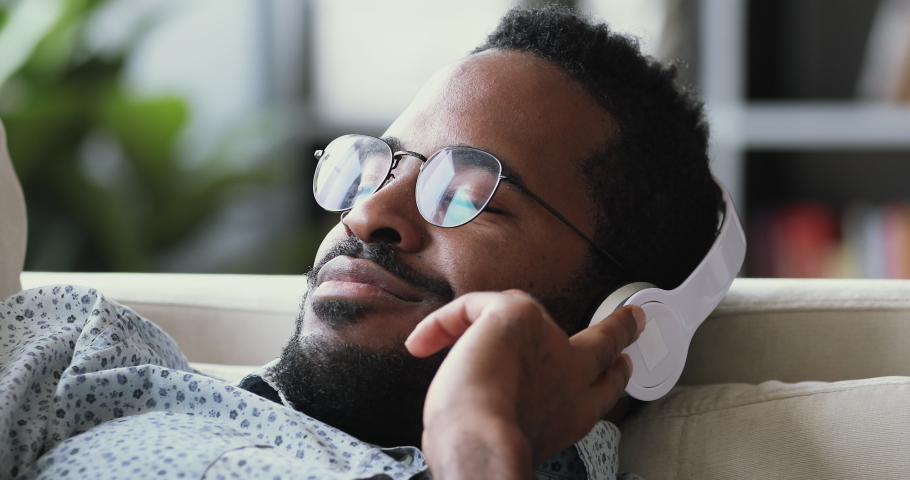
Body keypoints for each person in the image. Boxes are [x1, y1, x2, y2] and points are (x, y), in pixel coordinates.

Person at [0, 5, 718, 480]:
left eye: (467, 193)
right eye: (378, 164)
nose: (367, 211)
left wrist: (476, 440)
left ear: (625, 328)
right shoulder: (91, 364)